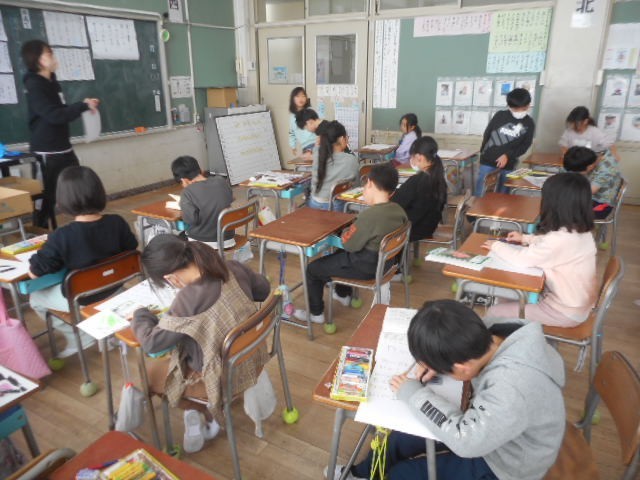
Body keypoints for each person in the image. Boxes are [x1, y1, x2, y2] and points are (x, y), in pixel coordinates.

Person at [330, 299, 565, 480]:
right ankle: (362, 474)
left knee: (403, 475)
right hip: (493, 429)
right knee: (397, 439)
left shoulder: (511, 387)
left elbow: (468, 441)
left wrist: (414, 394)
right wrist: (439, 361)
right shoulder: (493, 330)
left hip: (506, 465)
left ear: (462, 368)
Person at [131, 234, 271, 453]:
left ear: (171, 279)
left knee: (147, 375)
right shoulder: (231, 268)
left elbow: (151, 343)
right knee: (177, 354)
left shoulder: (188, 299)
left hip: (219, 377)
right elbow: (263, 289)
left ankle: (200, 411)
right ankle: (196, 411)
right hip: (252, 355)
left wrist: (140, 314)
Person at [28, 166, 138, 357]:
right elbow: (131, 248)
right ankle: (105, 331)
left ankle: (81, 337)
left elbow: (34, 272)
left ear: (63, 200)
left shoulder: (62, 236)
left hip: (84, 298)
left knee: (35, 298)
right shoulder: (117, 222)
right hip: (115, 288)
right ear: (99, 192)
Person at [295, 164, 408, 325]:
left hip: (366, 267)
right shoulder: (399, 210)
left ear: (369, 183)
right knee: (337, 256)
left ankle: (316, 313)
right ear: (393, 191)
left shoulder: (369, 216)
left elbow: (349, 246)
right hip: (386, 264)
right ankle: (342, 294)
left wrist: (347, 232)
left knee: (313, 269)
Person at [482, 173, 597, 327]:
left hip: (562, 311)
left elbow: (522, 259)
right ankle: (511, 332)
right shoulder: (582, 232)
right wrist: (525, 238)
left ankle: (503, 339)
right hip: (574, 305)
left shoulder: (559, 240)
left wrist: (496, 245)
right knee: (507, 293)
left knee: (494, 312)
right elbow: (550, 244)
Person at [21, 39, 100, 229]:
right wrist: (82, 106)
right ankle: (39, 233)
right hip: (47, 153)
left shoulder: (52, 82)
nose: (54, 57)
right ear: (39, 60)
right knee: (45, 198)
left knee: (79, 187)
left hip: (64, 149)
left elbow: (62, 111)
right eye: (49, 53)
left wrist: (84, 105)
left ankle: (86, 226)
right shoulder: (35, 85)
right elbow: (54, 115)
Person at [475, 88, 534, 195]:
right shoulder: (500, 115)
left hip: (509, 164)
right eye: (515, 109)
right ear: (509, 106)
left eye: (522, 108)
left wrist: (508, 155)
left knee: (503, 193)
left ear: (528, 105)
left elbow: (525, 146)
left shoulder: (529, 123)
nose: (518, 112)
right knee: (481, 191)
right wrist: (482, 154)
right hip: (488, 161)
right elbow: (487, 134)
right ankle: (477, 206)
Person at [171, 155, 234, 248]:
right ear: (200, 169)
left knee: (175, 229)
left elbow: (191, 221)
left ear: (184, 180)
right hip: (228, 237)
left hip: (204, 242)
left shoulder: (187, 192)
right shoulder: (221, 181)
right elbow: (230, 199)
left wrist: (183, 206)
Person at [392, 136, 447, 242]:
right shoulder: (439, 178)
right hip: (429, 227)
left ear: (419, 157)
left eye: (411, 157)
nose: (411, 160)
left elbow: (396, 203)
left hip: (412, 230)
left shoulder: (418, 180)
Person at [308, 120, 359, 211]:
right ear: (342, 139)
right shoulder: (351, 159)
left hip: (314, 203)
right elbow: (356, 186)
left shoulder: (317, 152)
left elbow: (318, 144)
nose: (348, 139)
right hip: (335, 206)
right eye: (347, 137)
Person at [563, 146, 622, 220]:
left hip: (600, 204)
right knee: (559, 204)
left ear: (590, 167)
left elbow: (590, 191)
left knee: (563, 211)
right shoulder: (592, 157)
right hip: (588, 198)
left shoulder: (606, 170)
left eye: (578, 172)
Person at [288, 87, 316, 160]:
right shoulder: (292, 117)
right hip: (305, 146)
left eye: (303, 96)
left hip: (315, 143)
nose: (301, 98)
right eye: (297, 96)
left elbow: (319, 125)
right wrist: (293, 146)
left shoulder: (310, 111)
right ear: (293, 99)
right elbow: (291, 133)